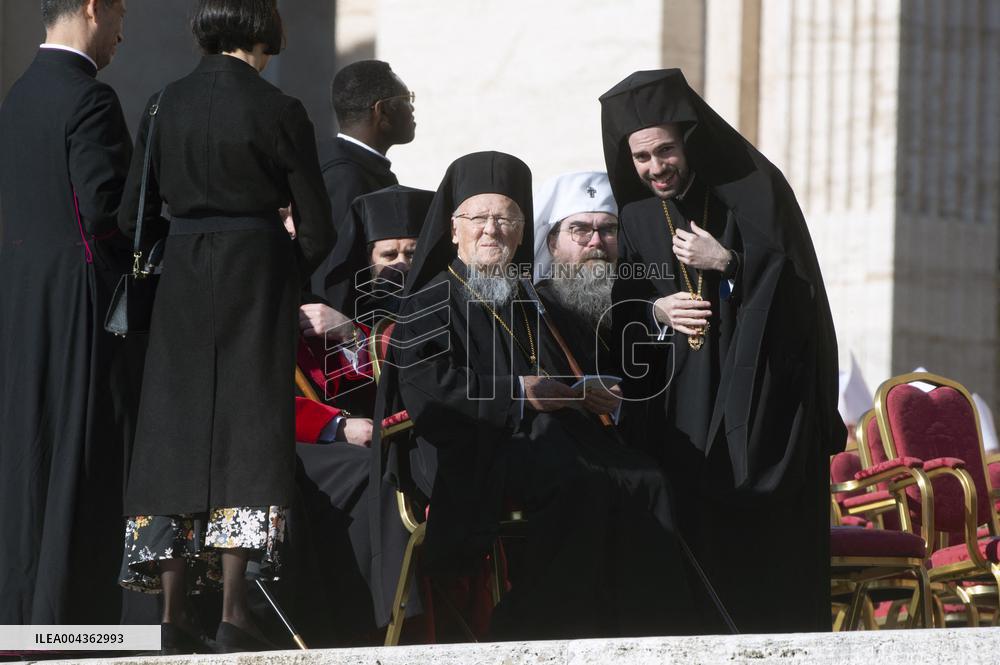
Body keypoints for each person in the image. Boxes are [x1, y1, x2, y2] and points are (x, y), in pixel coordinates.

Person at [369, 151, 722, 640]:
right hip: (469, 443)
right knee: (578, 479)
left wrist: (582, 393)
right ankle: (539, 631)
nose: (493, 230)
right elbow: (430, 391)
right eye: (479, 218)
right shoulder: (428, 302)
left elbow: (567, 369)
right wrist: (519, 395)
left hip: (548, 436)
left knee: (647, 479)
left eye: (507, 219)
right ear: (454, 230)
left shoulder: (531, 297)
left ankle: (649, 633)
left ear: (522, 230)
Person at [117, 0, 334, 653]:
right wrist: (285, 271)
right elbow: (319, 228)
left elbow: (134, 214)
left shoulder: (161, 104)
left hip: (182, 281)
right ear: (265, 33)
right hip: (255, 278)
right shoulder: (279, 109)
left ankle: (171, 612)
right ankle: (236, 609)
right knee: (249, 433)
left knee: (172, 438)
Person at [600, 68, 845, 633]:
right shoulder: (637, 218)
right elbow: (623, 309)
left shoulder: (755, 191)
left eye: (665, 150)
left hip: (763, 404)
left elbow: (803, 297)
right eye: (641, 158)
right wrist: (657, 311)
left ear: (688, 139)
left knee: (761, 558)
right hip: (679, 404)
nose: (655, 168)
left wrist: (730, 264)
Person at [0, 0, 131, 625]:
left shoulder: (18, 95)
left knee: (29, 456)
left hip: (23, 301)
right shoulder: (91, 98)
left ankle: (22, 614)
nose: (122, 32)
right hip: (81, 301)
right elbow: (104, 212)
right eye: (121, 13)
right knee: (79, 458)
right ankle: (71, 626)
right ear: (92, 7)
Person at [284, 185, 432, 647]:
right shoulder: (330, 302)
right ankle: (385, 622)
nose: (402, 264)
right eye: (388, 254)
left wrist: (351, 333)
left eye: (412, 251)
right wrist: (336, 424)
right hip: (331, 442)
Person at [310, 60, 416, 317]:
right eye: (406, 98)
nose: (412, 108)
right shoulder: (346, 177)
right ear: (382, 111)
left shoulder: (362, 167)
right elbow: (334, 273)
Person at [532, 171, 619, 374]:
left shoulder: (637, 304)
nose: (596, 241)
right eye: (580, 230)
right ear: (552, 243)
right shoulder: (535, 309)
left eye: (608, 230)